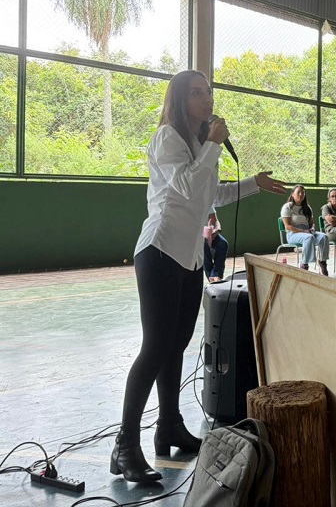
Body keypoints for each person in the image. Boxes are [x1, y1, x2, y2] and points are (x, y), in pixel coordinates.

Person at [112, 70, 285, 483]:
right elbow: (187, 188)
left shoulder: (200, 145)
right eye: (196, 93)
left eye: (208, 91)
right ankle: (124, 445)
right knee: (155, 347)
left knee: (176, 346)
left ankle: (168, 427)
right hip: (159, 251)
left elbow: (212, 197)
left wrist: (253, 184)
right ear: (178, 99)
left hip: (189, 258)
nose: (206, 99)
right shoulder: (168, 138)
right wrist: (211, 144)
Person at [281, 185, 330, 274]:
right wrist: (304, 232)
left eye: (303, 193)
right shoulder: (287, 207)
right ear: (292, 194)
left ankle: (323, 261)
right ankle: (304, 264)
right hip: (293, 234)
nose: (301, 194)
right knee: (309, 237)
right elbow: (288, 226)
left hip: (308, 232)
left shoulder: (307, 208)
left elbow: (312, 223)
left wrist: (312, 228)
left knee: (324, 237)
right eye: (298, 192)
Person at [203, 211, 228, 282]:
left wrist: (217, 229)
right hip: (197, 235)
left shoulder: (209, 202)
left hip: (209, 233)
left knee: (223, 243)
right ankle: (211, 276)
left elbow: (215, 221)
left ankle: (217, 274)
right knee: (203, 246)